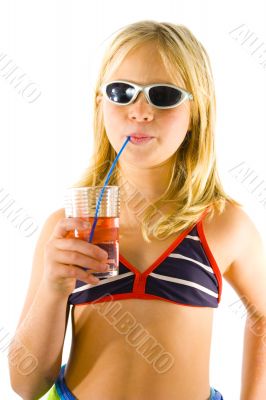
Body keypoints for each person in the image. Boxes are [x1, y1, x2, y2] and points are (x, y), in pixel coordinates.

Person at [8, 20, 266, 400]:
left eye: (163, 95)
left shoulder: (224, 225)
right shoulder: (67, 228)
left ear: (197, 111)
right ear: (100, 104)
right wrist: (52, 288)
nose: (140, 111)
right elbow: (25, 385)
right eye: (121, 92)